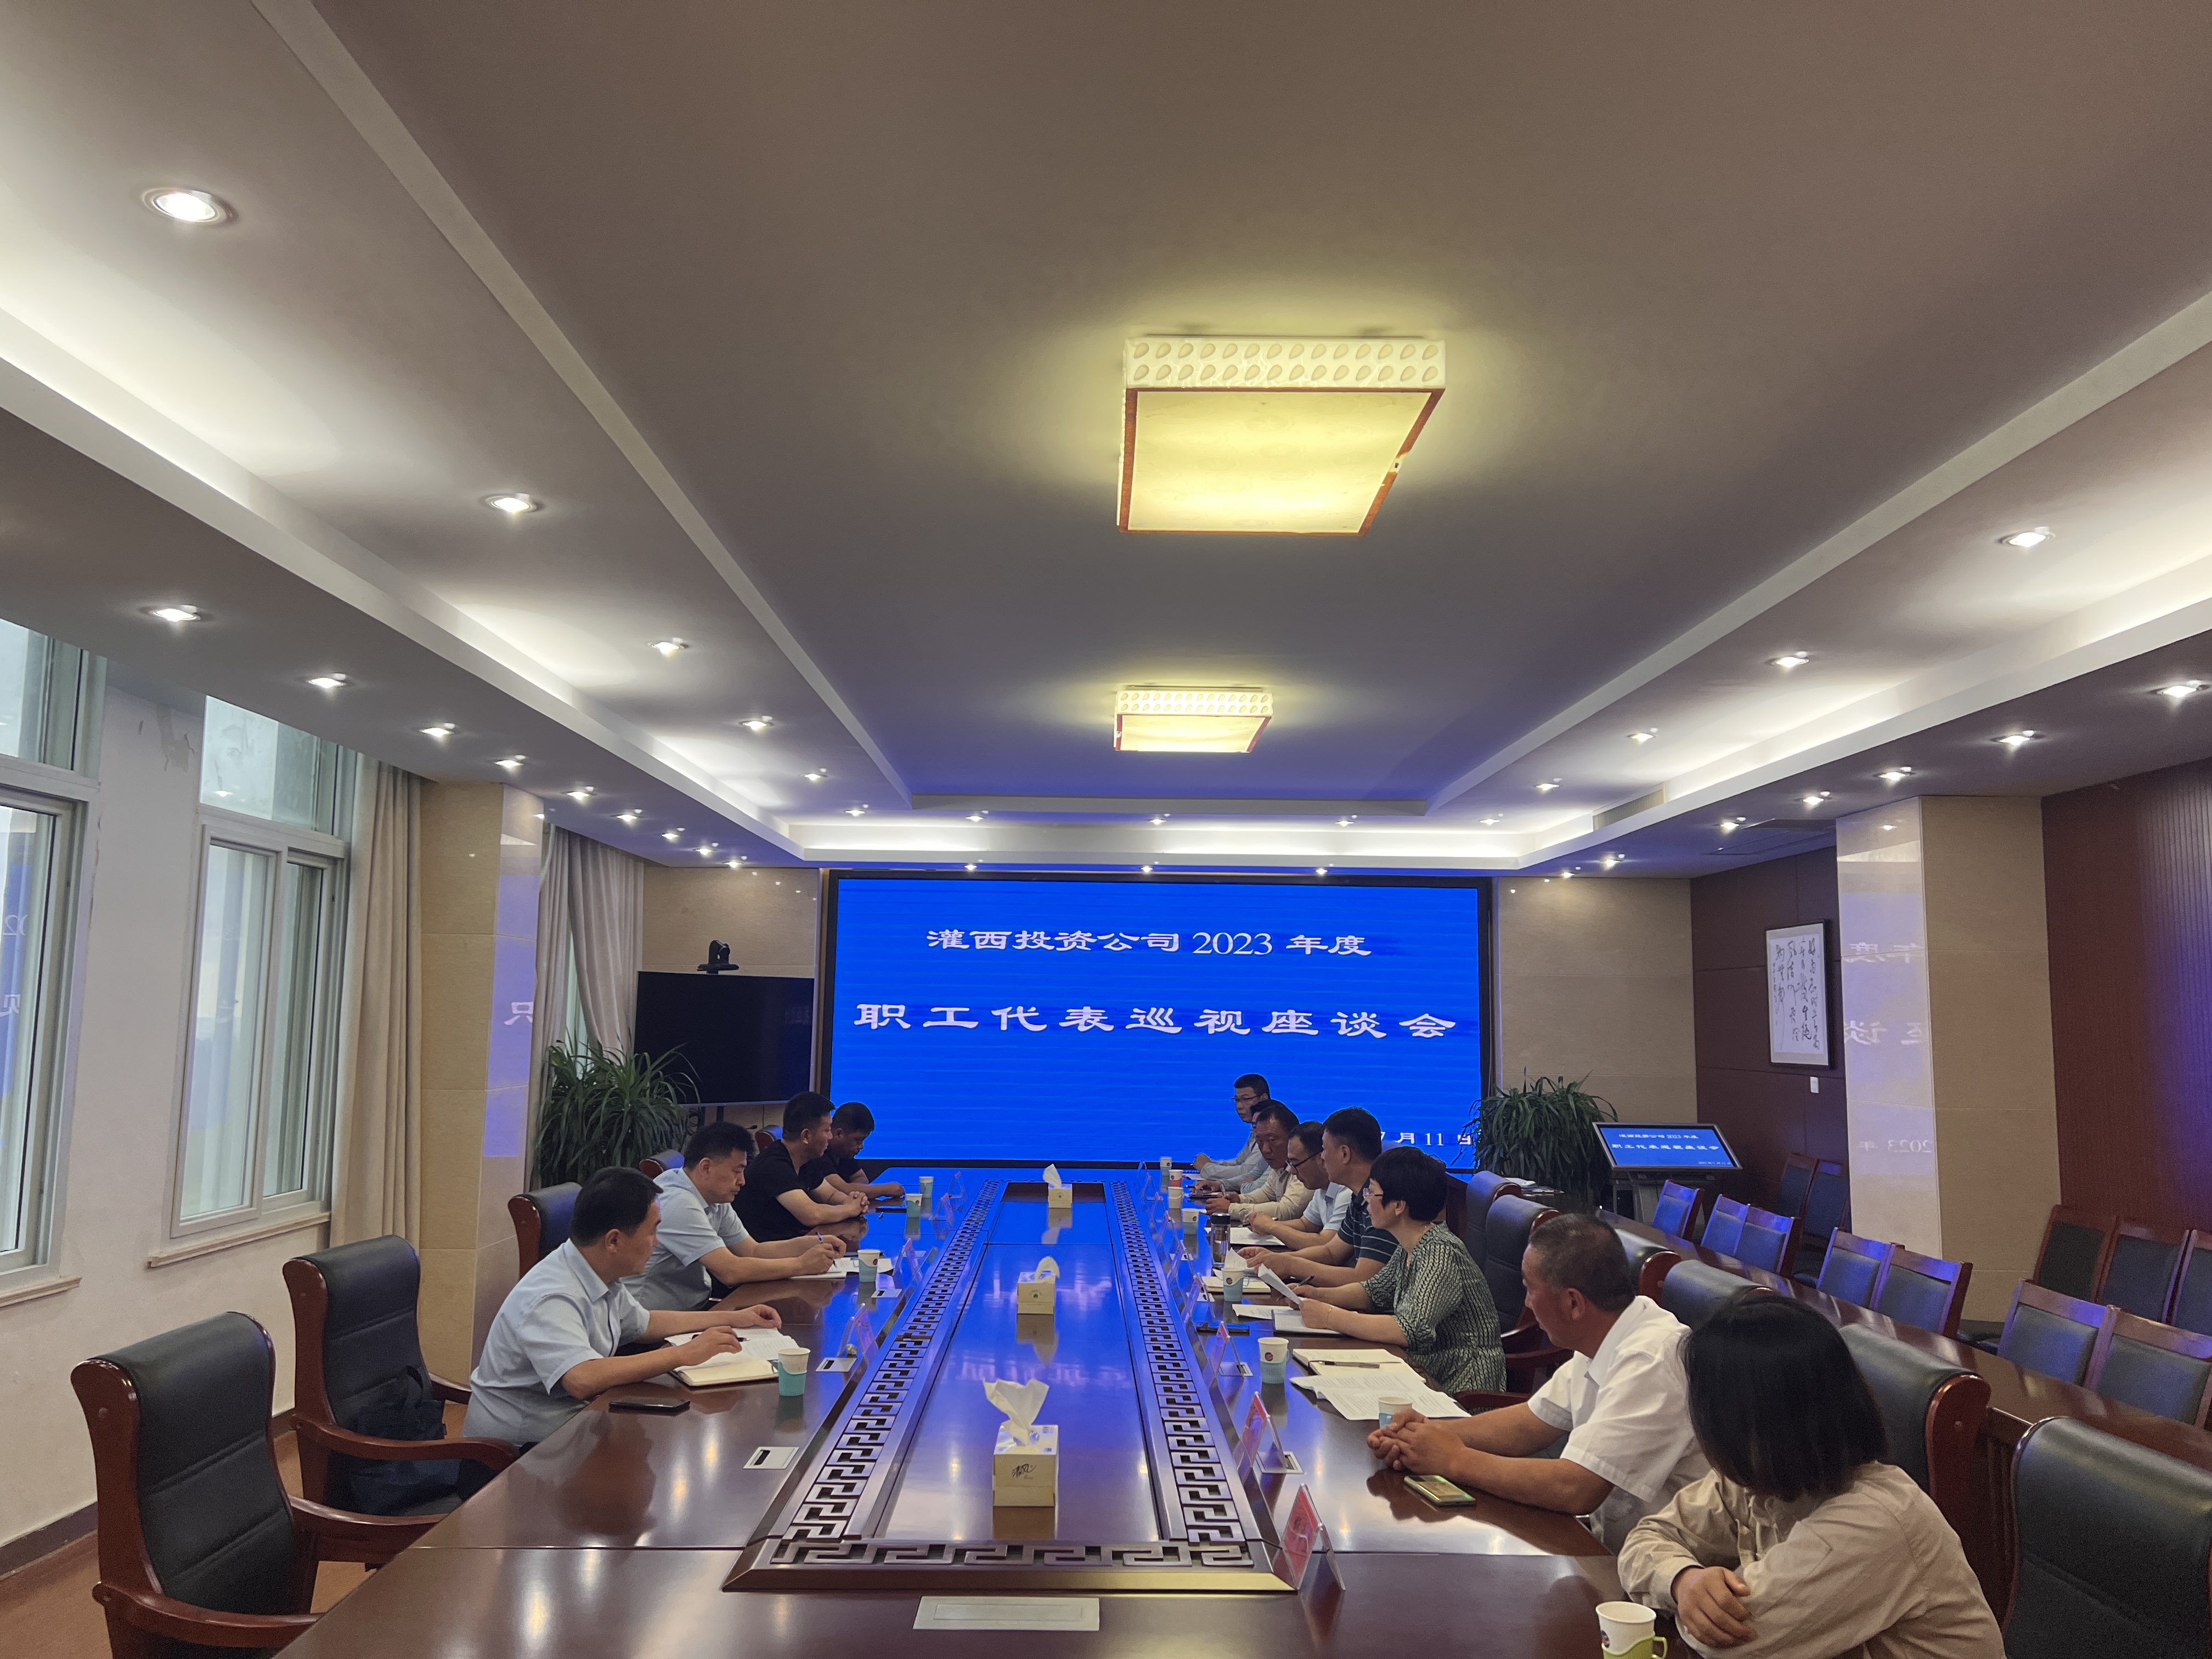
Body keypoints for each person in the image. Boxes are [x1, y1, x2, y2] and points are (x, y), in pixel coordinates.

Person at [1618, 1294, 2002, 1659]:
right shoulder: (1759, 1477)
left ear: (1747, 1427)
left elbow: (1731, 1643)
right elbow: (1644, 1540)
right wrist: (1683, 1580)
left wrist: (1696, 1604)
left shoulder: (1871, 1521)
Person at [1372, 1212, 1707, 1549]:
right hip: (1613, 1546)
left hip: (1674, 1567)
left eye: (1531, 1289)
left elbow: (1576, 1488)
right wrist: (1428, 1433)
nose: (1528, 1303)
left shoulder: (1650, 1360)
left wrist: (1453, 1460)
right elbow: (1530, 1424)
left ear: (1573, 1303)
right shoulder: (1609, 1331)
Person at [464, 1166, 784, 1447]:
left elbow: (645, 1324)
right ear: (614, 1241)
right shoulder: (553, 1295)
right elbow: (582, 1378)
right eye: (652, 1231)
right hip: (519, 1456)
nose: (657, 1242)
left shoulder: (597, 1269)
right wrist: (683, 1354)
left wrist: (735, 1317)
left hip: (575, 1427)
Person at [1290, 1147, 1504, 1394]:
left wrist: (1329, 1317)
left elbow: (1409, 1330)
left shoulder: (1440, 1252)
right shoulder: (1410, 1245)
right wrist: (1317, 1295)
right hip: (1419, 1370)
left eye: (1372, 1191)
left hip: (1461, 1385)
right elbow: (1373, 1292)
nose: (1366, 1199)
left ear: (1399, 1206)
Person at [629, 1122, 840, 1310]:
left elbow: (753, 1251)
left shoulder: (713, 1195)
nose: (742, 1181)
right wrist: (801, 1265)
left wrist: (812, 1244)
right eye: (737, 1171)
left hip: (694, 1309)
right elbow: (730, 1271)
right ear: (706, 1168)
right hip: (655, 1325)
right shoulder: (678, 1203)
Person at [1251, 1108, 1393, 1288]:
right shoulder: (1359, 1197)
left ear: (1344, 1154)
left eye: (1325, 1150)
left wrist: (1291, 1265)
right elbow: (1331, 1252)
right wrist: (1277, 1259)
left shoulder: (1382, 1200)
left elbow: (1364, 1279)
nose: (1322, 1158)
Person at [734, 1092, 870, 1242]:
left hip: (791, 1242)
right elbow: (812, 1215)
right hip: (766, 1250)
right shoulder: (774, 1165)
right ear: (806, 1136)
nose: (830, 1137)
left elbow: (830, 1195)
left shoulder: (806, 1160)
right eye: (827, 1131)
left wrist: (853, 1201)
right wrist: (849, 1209)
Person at [1238, 1122, 1348, 1239]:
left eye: (1296, 1163)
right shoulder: (1321, 1188)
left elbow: (1326, 1243)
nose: (1293, 1171)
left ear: (1321, 1158)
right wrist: (1267, 1225)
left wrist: (1271, 1227)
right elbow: (1306, 1224)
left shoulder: (1346, 1192)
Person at [1203, 1103, 1303, 1219]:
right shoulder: (1280, 1164)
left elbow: (1287, 1210)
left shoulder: (1304, 1165)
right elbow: (1266, 1193)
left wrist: (1231, 1209)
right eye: (1260, 1141)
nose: (1265, 1150)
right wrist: (1239, 1200)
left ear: (1293, 1138)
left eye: (1272, 1140)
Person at [800, 1101, 907, 1203]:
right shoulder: (819, 1154)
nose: (861, 1146)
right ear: (839, 1134)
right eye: (857, 1140)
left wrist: (854, 1192)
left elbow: (861, 1178)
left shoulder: (843, 1154)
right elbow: (841, 1190)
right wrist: (885, 1189)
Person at [1191, 1074, 1271, 1192]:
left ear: (1263, 1098)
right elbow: (1240, 1162)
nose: (1239, 1106)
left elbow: (1247, 1172)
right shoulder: (1257, 1125)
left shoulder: (1270, 1128)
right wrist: (1213, 1164)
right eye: (1237, 1100)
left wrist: (1207, 1168)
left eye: (1246, 1100)